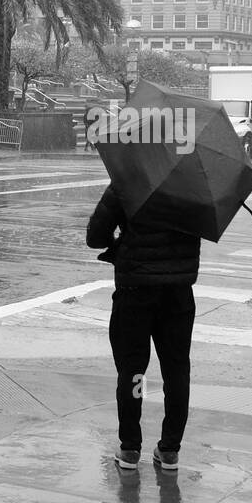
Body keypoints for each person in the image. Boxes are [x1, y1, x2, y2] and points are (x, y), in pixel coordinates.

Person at [86, 180, 200, 473]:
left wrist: (122, 241)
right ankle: (170, 449)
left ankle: (130, 448)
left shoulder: (128, 180)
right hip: (178, 292)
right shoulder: (194, 184)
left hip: (135, 290)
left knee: (133, 370)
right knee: (176, 370)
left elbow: (96, 237)